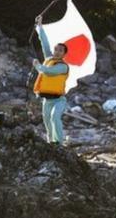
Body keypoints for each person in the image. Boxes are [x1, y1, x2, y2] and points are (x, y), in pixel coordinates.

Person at [32, 15, 69, 146]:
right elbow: (44, 43)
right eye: (56, 49)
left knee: (54, 117)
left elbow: (48, 71)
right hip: (46, 100)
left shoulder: (63, 66)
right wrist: (40, 26)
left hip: (59, 100)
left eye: (60, 51)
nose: (57, 52)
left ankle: (59, 143)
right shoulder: (48, 59)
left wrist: (37, 66)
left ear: (64, 54)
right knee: (47, 122)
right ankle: (51, 143)